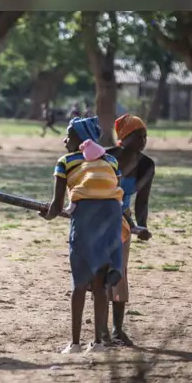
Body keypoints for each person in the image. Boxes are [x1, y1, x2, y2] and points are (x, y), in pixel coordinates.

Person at [40, 116, 124, 354]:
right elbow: (114, 194)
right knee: (99, 285)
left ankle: (75, 344)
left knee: (78, 284)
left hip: (85, 222)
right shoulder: (111, 161)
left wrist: (46, 214)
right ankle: (98, 343)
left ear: (81, 138)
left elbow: (56, 206)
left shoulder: (65, 161)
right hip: (111, 220)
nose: (65, 139)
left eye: (69, 134)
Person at [105, 114, 155, 346]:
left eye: (145, 136)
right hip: (96, 219)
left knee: (119, 273)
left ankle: (117, 329)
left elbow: (142, 201)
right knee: (98, 274)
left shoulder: (146, 165)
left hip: (123, 224)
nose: (143, 141)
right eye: (138, 136)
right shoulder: (105, 158)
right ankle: (100, 330)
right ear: (124, 138)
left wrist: (142, 226)